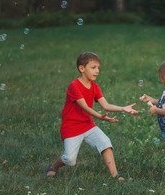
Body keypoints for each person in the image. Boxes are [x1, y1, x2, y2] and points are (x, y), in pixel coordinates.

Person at [46, 52, 139, 181]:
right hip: (72, 127)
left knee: (105, 143)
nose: (97, 71)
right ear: (81, 68)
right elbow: (85, 107)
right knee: (70, 159)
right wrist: (100, 117)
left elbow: (105, 105)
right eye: (93, 67)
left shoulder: (94, 87)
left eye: (98, 68)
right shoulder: (74, 86)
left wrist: (123, 108)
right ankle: (54, 166)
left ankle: (116, 176)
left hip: (87, 125)